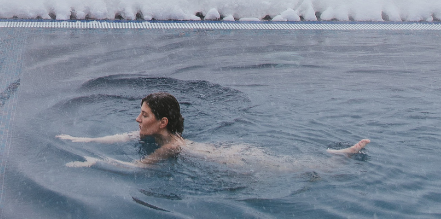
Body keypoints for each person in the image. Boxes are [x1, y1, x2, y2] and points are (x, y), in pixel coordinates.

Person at [57, 91, 370, 170]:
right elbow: (119, 138)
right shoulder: (161, 137)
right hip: (227, 154)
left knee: (293, 167)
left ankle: (337, 157)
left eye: (144, 115)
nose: (137, 120)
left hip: (237, 162)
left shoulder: (170, 147)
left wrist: (95, 162)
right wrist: (80, 140)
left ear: (162, 123)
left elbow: (135, 166)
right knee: (292, 163)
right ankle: (334, 155)